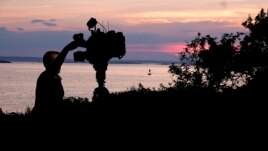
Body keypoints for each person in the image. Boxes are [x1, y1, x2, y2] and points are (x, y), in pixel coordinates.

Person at [32, 41, 78, 115]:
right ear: (47, 64)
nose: (59, 64)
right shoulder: (46, 76)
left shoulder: (55, 77)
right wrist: (67, 48)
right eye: (55, 61)